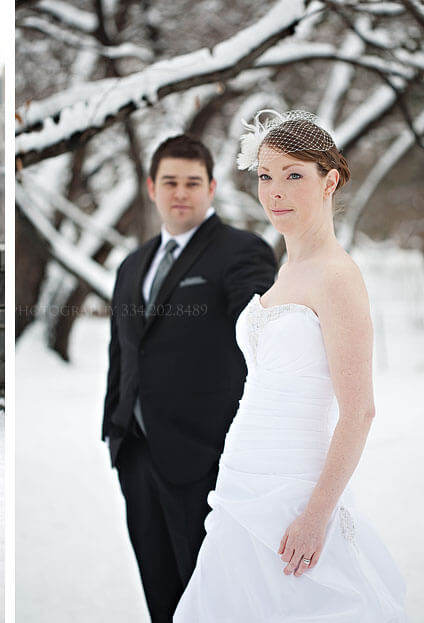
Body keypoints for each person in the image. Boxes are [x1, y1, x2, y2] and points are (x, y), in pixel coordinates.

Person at [173, 111, 406, 621]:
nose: (275, 191)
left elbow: (359, 412)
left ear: (330, 181)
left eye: (293, 175)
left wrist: (316, 516)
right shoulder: (288, 270)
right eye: (265, 176)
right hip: (241, 484)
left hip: (294, 492)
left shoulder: (337, 277)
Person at [103, 134, 277, 621]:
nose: (181, 193)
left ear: (212, 187)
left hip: (205, 458)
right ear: (151, 187)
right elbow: (122, 351)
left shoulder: (243, 252)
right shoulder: (132, 265)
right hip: (136, 454)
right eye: (170, 182)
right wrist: (115, 427)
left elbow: (259, 330)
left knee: (212, 600)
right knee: (160, 596)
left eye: (193, 183)